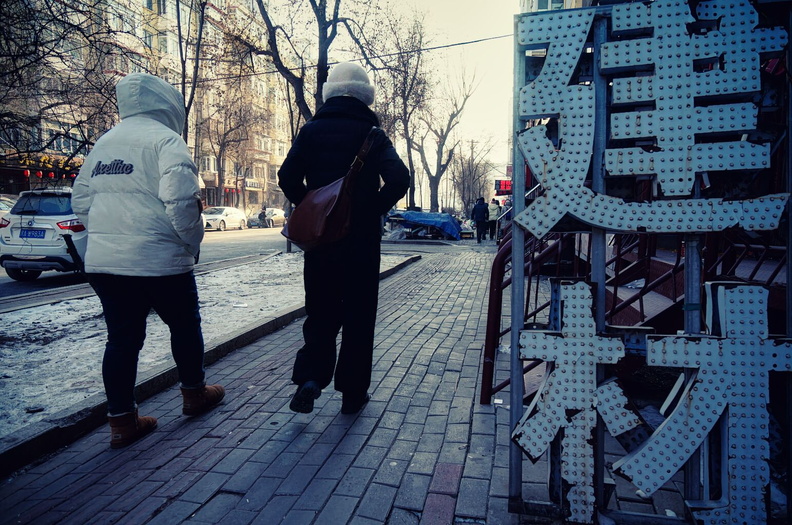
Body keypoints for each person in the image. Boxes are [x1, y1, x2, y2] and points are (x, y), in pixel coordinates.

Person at [72, 73, 224, 449]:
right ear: (167, 104)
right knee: (184, 327)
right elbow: (182, 203)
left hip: (108, 265)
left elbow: (81, 200)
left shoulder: (104, 143)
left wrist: (108, 235)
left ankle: (122, 422)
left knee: (121, 340)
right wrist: (191, 243)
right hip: (160, 260)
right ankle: (194, 394)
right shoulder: (166, 141)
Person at [278, 62, 409, 415]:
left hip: (321, 242)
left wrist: (314, 206)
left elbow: (287, 176)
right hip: (361, 245)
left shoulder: (310, 131)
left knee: (320, 312)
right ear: (365, 96)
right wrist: (371, 210)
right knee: (358, 317)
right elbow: (400, 179)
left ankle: (310, 378)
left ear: (330, 94)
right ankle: (352, 393)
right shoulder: (373, 134)